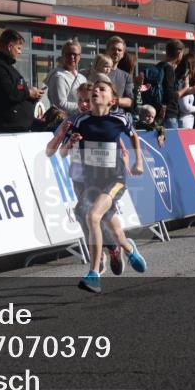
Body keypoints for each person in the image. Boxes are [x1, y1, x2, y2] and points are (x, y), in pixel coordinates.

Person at [61, 80, 147, 294]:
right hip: (91, 181)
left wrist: (138, 162)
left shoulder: (120, 119)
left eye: (102, 89)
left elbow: (134, 136)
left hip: (115, 179)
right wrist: (71, 142)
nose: (96, 92)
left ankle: (94, 273)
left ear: (112, 100)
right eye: (94, 90)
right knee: (110, 225)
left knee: (92, 216)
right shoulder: (80, 121)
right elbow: (63, 151)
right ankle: (128, 248)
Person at [45, 83, 122, 276]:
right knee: (85, 216)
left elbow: (117, 143)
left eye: (87, 100)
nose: (83, 104)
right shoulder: (72, 121)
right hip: (78, 176)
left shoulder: (103, 121)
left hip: (99, 177)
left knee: (92, 215)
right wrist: (67, 138)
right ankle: (105, 252)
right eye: (79, 100)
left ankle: (109, 250)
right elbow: (54, 151)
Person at [0, 30, 42, 133]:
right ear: (10, 47)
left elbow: (16, 91)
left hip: (15, 129)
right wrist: (29, 93)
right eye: (18, 48)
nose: (20, 52)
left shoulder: (7, 67)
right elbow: (11, 94)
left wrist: (33, 96)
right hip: (6, 131)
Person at [45, 40, 88, 116]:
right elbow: (60, 105)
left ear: (80, 56)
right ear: (63, 55)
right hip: (65, 123)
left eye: (75, 54)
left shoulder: (82, 77)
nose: (72, 57)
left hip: (81, 119)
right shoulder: (58, 76)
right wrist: (84, 106)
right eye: (68, 54)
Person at [157, 40, 193, 129]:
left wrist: (187, 92)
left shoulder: (159, 66)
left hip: (158, 113)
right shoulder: (169, 68)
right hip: (169, 115)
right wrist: (185, 88)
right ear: (179, 53)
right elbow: (171, 96)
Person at [104, 36, 135, 111]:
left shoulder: (126, 76)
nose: (116, 52)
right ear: (107, 51)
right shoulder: (95, 71)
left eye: (119, 50)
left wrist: (113, 101)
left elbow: (130, 101)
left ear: (123, 54)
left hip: (117, 118)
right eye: (113, 49)